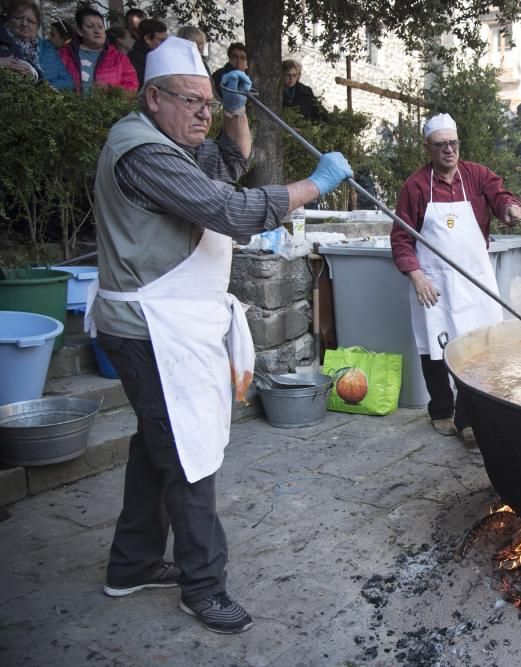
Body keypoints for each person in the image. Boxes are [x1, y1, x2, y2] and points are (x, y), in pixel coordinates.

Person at [88, 36, 352, 635]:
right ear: (152, 99)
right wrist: (314, 185)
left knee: (157, 445)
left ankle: (130, 564)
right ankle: (203, 587)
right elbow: (231, 210)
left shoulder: (171, 145)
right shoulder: (143, 155)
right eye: (193, 102)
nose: (203, 114)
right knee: (186, 452)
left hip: (172, 323)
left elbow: (230, 165)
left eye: (210, 102)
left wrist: (237, 112)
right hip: (150, 327)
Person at [390, 113, 521, 448]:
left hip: (475, 279)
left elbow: (500, 196)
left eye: (453, 143)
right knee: (434, 350)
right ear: (428, 148)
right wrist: (416, 276)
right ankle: (440, 411)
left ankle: (468, 419)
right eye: (440, 145)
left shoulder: (476, 175)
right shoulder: (416, 186)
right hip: (434, 282)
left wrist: (510, 208)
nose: (448, 150)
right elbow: (401, 238)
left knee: (478, 347)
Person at [59, 6, 138, 94]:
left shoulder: (120, 59)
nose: (97, 31)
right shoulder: (64, 55)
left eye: (100, 27)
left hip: (108, 107)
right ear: (80, 31)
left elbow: (132, 88)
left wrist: (110, 90)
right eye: (90, 26)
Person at [0, 0, 71, 89]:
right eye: (18, 18)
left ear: (37, 27)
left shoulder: (48, 48)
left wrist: (38, 79)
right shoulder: (4, 43)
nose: (24, 24)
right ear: (9, 20)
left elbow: (68, 81)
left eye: (31, 21)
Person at [127, 18, 166, 84]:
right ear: (147, 38)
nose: (165, 43)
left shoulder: (157, 54)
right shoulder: (134, 58)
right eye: (161, 40)